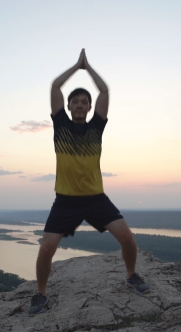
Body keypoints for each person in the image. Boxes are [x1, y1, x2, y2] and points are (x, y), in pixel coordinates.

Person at [28, 49, 150, 316]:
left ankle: (131, 275)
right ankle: (40, 293)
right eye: (76, 102)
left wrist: (89, 67)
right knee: (47, 248)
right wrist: (76, 66)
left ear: (89, 107)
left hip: (96, 198)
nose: (81, 105)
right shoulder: (60, 126)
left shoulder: (96, 128)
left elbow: (105, 91)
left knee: (128, 239)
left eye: (85, 102)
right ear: (69, 107)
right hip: (65, 200)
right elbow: (55, 86)